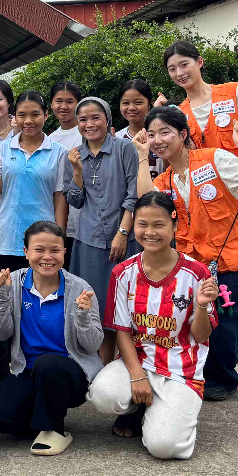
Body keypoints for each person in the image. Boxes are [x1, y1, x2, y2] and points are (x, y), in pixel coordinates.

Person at [132, 106, 238, 401]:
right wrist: (143, 156)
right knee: (222, 313)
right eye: (153, 134)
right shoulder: (167, 181)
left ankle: (223, 379)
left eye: (165, 132)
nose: (158, 139)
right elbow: (147, 201)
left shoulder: (214, 159)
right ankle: (226, 358)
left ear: (183, 135)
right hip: (206, 264)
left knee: (222, 313)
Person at [159, 40, 238, 365]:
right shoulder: (179, 113)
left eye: (184, 64)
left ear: (199, 62)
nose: (179, 72)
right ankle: (224, 351)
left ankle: (235, 354)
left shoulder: (233, 91)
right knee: (213, 275)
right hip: (202, 202)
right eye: (172, 69)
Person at [88, 192, 220, 460]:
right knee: (102, 395)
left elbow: (202, 335)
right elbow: (122, 330)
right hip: (137, 363)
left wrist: (203, 305)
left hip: (180, 370)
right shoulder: (123, 272)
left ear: (174, 226)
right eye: (142, 224)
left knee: (164, 447)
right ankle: (139, 409)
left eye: (158, 225)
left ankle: (169, 411)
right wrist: (137, 376)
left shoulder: (197, 273)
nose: (150, 232)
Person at [0, 221, 103, 456]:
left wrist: (82, 316)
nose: (47, 257)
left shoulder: (79, 288)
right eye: (39, 249)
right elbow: (2, 333)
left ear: (64, 253)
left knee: (48, 363)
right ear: (26, 252)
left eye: (55, 250)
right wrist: (1, 297)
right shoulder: (14, 282)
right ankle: (43, 416)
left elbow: (93, 345)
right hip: (28, 371)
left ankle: (54, 429)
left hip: (69, 372)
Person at [63, 97, 138, 362]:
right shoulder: (73, 155)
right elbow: (75, 200)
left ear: (107, 119)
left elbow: (134, 194)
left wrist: (123, 232)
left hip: (125, 240)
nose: (89, 124)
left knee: (126, 307)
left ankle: (129, 363)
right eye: (83, 119)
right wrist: (76, 172)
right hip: (90, 242)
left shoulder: (124, 149)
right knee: (97, 308)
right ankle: (103, 366)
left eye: (96, 118)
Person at [0, 91, 68, 275]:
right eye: (22, 115)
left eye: (35, 114)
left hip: (44, 241)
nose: (28, 121)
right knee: (7, 296)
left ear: (46, 115)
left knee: (42, 295)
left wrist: (59, 239)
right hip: (8, 237)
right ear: (14, 117)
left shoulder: (59, 152)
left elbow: (60, 197)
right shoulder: (3, 148)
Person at [48, 81, 84, 257]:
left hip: (85, 223)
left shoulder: (87, 133)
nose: (63, 106)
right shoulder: (50, 140)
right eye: (58, 101)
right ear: (51, 105)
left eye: (70, 101)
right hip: (60, 224)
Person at [116, 79, 165, 180]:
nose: (131, 108)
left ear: (150, 104)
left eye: (138, 102)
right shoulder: (117, 138)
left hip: (161, 193)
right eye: (125, 103)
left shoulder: (164, 135)